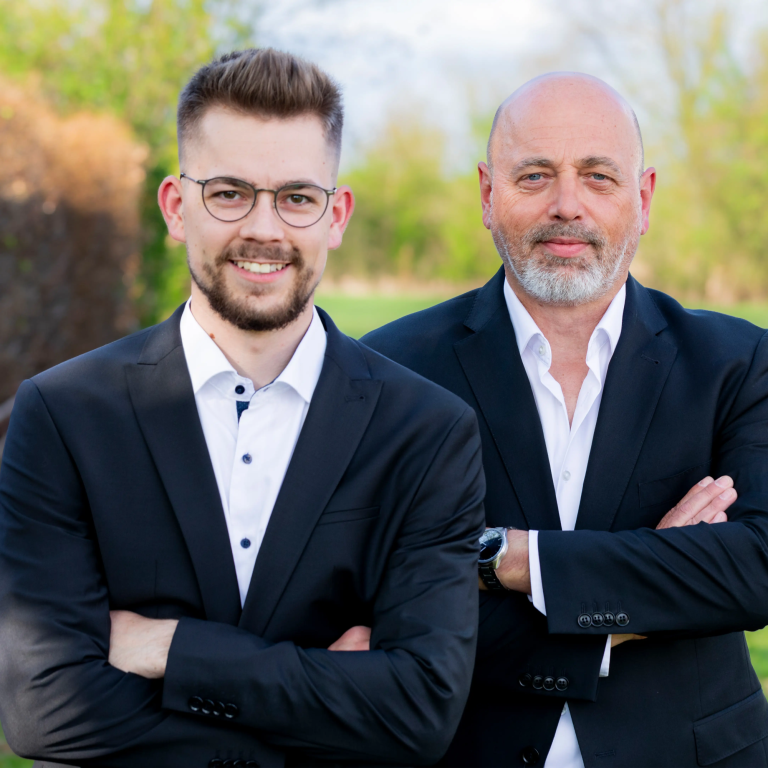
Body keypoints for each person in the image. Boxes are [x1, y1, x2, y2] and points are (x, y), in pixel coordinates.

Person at [0, 48, 485, 768]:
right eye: (229, 193)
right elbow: (46, 710)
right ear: (176, 205)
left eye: (296, 197)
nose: (265, 228)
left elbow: (418, 712)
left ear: (336, 214)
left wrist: (169, 649)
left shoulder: (428, 432)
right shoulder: (65, 416)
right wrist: (326, 697)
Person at [363, 73, 768, 767]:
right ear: (489, 196)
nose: (567, 205)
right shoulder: (389, 370)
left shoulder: (737, 362)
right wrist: (655, 578)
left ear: (642, 199)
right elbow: (381, 606)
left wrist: (515, 559)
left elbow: (755, 570)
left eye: (598, 176)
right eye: (535, 176)